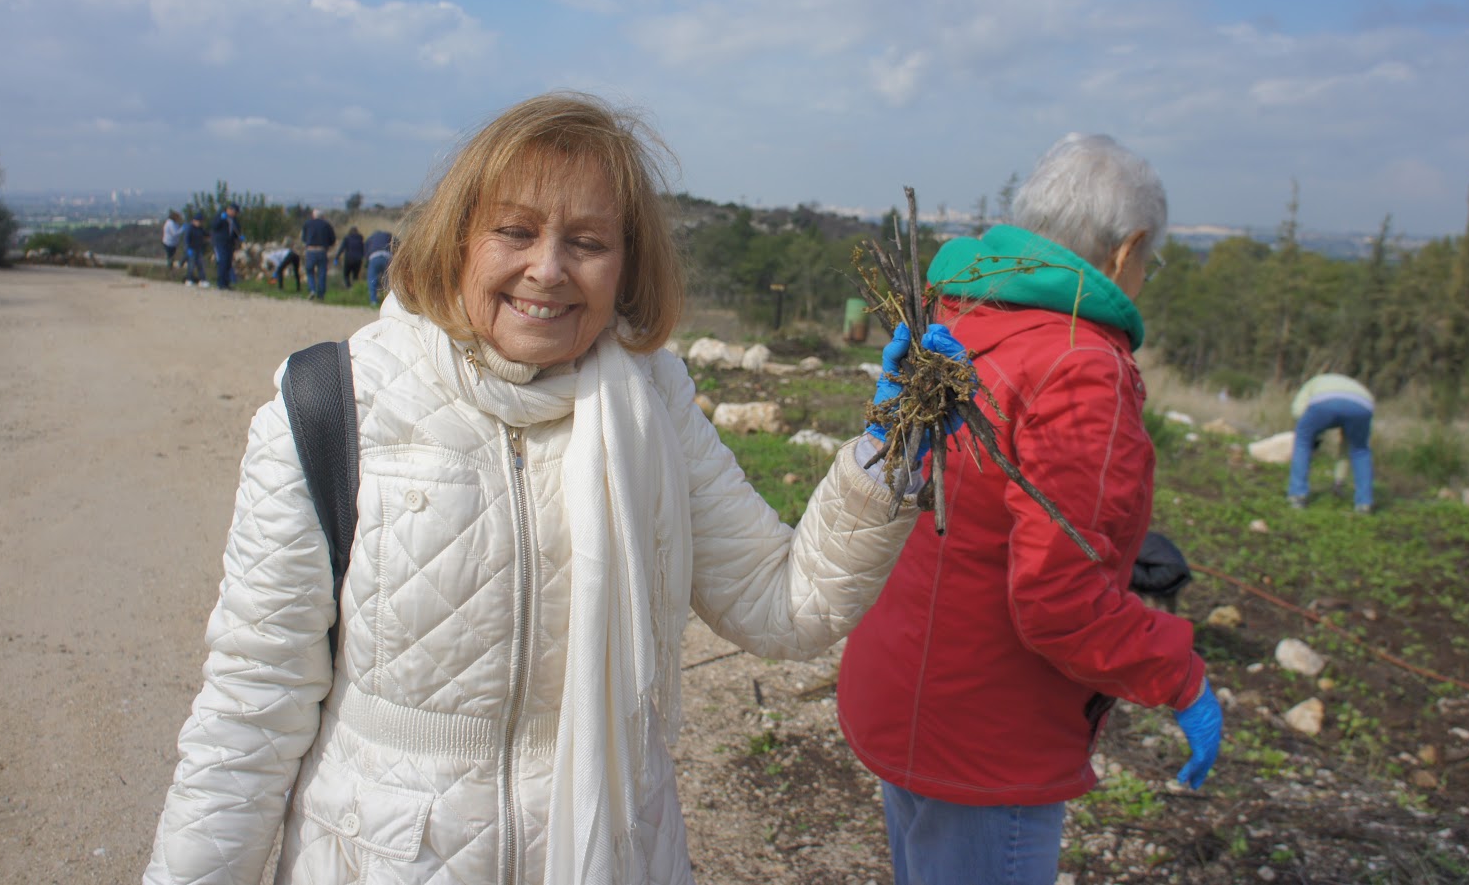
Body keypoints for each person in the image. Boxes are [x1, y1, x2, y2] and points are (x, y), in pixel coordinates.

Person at [143, 92, 959, 885]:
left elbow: (784, 603)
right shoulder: (335, 402)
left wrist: (885, 456)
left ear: (625, 266)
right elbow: (252, 704)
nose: (548, 268)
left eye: (588, 241)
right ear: (459, 235)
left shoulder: (654, 405)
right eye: (515, 230)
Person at [839, 133, 1223, 885]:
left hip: (902, 687)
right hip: (988, 729)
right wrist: (1177, 672)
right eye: (1150, 261)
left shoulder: (958, 315)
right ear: (1126, 249)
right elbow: (1059, 598)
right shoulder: (1080, 363)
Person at [1288, 373, 1374, 513]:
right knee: (1360, 451)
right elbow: (1345, 446)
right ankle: (1364, 504)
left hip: (1325, 401)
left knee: (1302, 440)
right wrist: (1339, 479)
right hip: (1363, 405)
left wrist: (1314, 436)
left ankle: (1298, 495)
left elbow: (1298, 411)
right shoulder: (1354, 385)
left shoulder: (1313, 382)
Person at [301, 207, 337, 300]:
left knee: (310, 271)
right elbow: (332, 240)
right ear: (322, 216)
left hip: (310, 250)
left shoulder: (307, 224)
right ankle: (321, 295)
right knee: (322, 273)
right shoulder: (327, 225)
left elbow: (304, 239)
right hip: (322, 251)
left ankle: (312, 289)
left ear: (313, 215)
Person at [211, 202, 242, 290]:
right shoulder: (220, 216)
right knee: (223, 262)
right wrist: (221, 219)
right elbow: (214, 226)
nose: (234, 214)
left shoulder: (234, 220)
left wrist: (239, 237)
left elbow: (237, 230)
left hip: (230, 244)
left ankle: (226, 283)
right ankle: (220, 283)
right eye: (234, 211)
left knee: (228, 263)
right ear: (229, 210)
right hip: (220, 243)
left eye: (236, 212)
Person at [363, 227, 394, 308]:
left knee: (372, 279)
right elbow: (396, 243)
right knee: (389, 281)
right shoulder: (388, 235)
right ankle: (390, 302)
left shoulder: (370, 238)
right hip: (387, 257)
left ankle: (373, 301)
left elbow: (365, 250)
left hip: (374, 257)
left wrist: (366, 261)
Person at [182, 213, 210, 287]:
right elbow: (186, 240)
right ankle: (188, 279)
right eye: (198, 221)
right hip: (191, 250)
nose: (199, 223)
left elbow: (207, 234)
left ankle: (202, 280)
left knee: (201, 265)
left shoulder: (201, 229)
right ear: (194, 221)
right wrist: (188, 249)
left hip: (198, 250)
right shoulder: (189, 228)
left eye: (200, 221)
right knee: (191, 266)